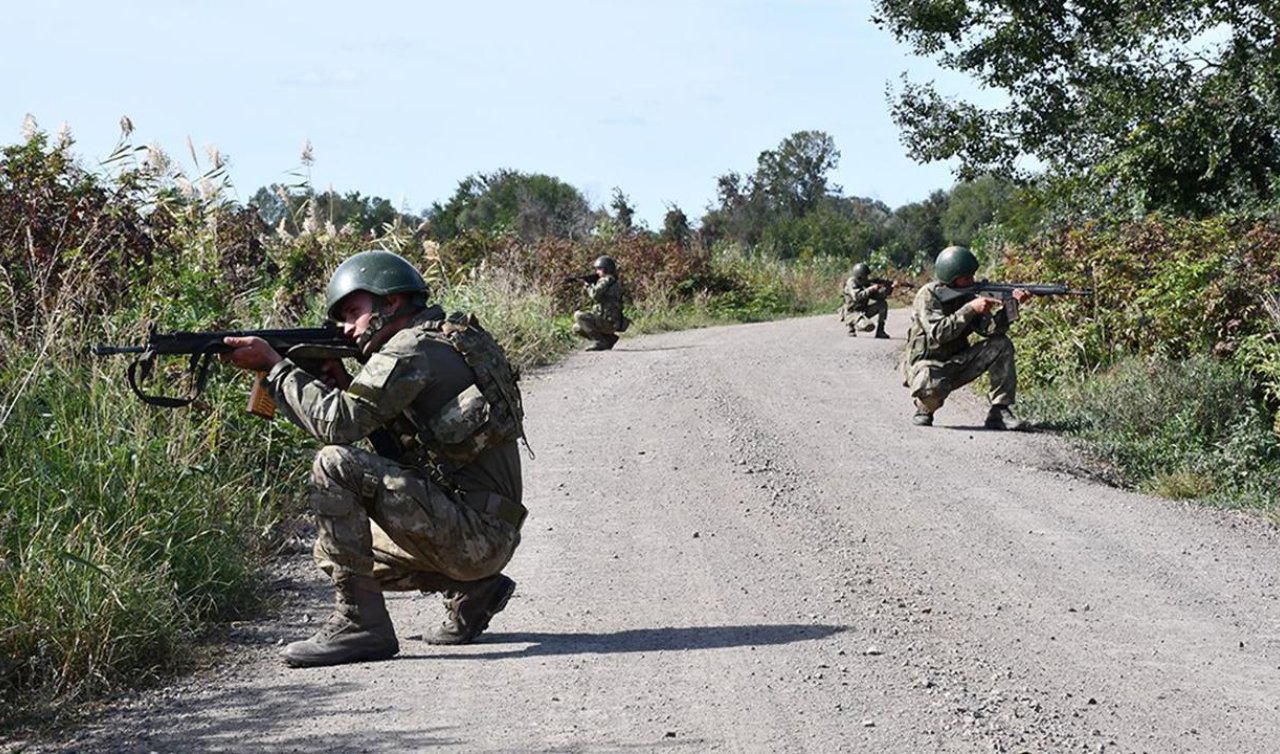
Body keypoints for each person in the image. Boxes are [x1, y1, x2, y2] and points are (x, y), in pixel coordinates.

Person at [221, 249, 527, 667]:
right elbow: (410, 449)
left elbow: (340, 426)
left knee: (333, 464)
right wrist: (345, 382)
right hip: (484, 533)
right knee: (330, 551)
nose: (346, 329)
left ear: (391, 302)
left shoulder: (409, 350)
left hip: (474, 536)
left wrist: (275, 369)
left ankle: (361, 626)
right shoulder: (443, 338)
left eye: (353, 312)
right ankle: (475, 590)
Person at [902, 245, 1031, 430]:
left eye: (973, 275)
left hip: (958, 361)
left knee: (1001, 345)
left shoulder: (970, 294)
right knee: (932, 384)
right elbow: (939, 333)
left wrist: (1012, 306)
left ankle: (999, 411)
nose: (972, 280)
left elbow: (991, 331)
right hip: (927, 364)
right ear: (951, 277)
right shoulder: (929, 295)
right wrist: (970, 308)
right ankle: (924, 407)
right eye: (966, 277)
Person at [572, 255, 627, 351]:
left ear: (606, 269)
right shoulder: (614, 281)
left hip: (607, 321)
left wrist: (588, 286)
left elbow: (595, 295)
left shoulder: (606, 280)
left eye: (599, 269)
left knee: (578, 315)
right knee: (577, 328)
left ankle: (600, 341)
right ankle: (609, 339)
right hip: (613, 321)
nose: (597, 272)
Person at [840, 262, 890, 338]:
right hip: (852, 313)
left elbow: (879, 297)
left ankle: (880, 331)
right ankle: (852, 326)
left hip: (863, 311)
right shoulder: (851, 283)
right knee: (869, 326)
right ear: (860, 277)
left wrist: (888, 289)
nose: (867, 278)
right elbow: (857, 297)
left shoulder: (865, 284)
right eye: (865, 276)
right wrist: (871, 289)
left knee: (882, 304)